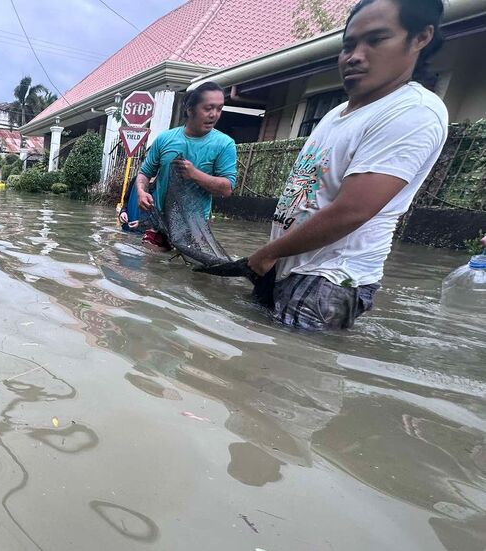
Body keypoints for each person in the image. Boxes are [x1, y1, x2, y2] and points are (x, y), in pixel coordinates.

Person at [241, 0, 448, 330]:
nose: (355, 56)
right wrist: (274, 256)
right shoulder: (336, 114)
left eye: (376, 40)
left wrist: (267, 253)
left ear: (421, 38)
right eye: (349, 45)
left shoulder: (414, 112)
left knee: (286, 362)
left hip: (330, 279)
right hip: (288, 266)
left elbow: (351, 211)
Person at [136, 81, 237, 250]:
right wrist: (141, 192)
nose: (214, 115)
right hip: (159, 221)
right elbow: (145, 173)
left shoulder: (225, 144)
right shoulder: (165, 139)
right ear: (190, 110)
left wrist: (195, 174)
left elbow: (227, 189)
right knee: (150, 264)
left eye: (219, 109)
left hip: (195, 227)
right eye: (208, 108)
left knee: (190, 266)